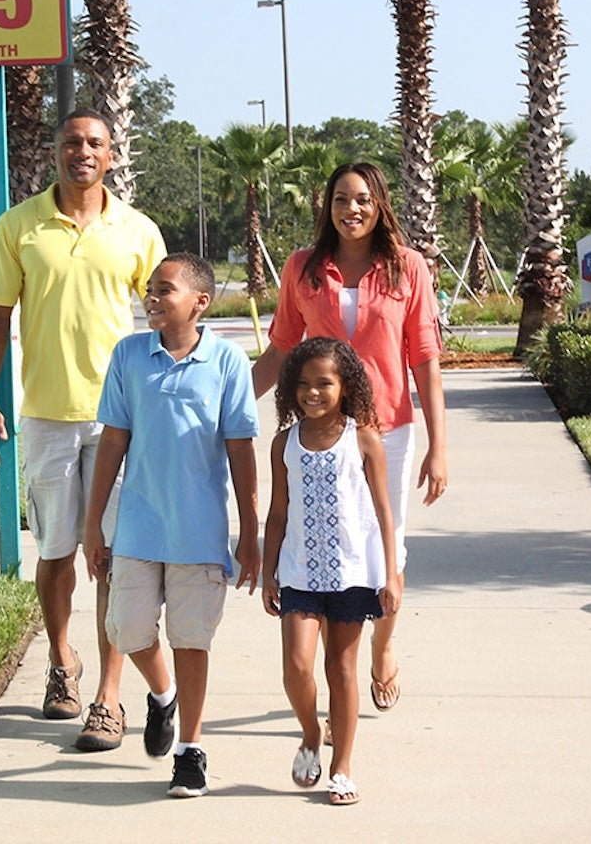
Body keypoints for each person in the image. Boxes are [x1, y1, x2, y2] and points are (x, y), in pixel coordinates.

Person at [0, 109, 166, 751]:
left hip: (120, 421)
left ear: (111, 155)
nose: (82, 152)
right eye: (71, 143)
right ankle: (63, 664)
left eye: (94, 143)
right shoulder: (19, 226)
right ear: (54, 153)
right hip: (47, 417)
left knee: (112, 555)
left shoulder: (137, 231)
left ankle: (110, 698)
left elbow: (169, 317)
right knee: (56, 552)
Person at [251, 162, 445, 713]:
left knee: (388, 551)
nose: (350, 209)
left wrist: (439, 446)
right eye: (340, 199)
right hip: (321, 431)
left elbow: (426, 360)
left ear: (380, 205)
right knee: (332, 547)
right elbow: (283, 348)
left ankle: (382, 646)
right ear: (327, 207)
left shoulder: (409, 269)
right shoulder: (302, 268)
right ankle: (341, 685)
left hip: (387, 429)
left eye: (362, 199)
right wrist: (229, 404)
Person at [82, 253, 261, 797]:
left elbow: (241, 449)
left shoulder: (227, 362)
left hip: (198, 532)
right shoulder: (129, 355)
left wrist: (249, 532)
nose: (152, 298)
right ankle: (162, 694)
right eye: (149, 290)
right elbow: (113, 439)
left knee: (191, 639)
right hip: (137, 524)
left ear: (200, 302)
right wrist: (94, 524)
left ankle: (190, 749)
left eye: (165, 289)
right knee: (126, 629)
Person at [262, 337, 400, 807]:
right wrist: (268, 571)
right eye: (303, 385)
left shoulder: (362, 438)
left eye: (324, 383)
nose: (313, 393)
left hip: (351, 575)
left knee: (341, 669)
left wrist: (391, 574)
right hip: (299, 572)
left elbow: (383, 510)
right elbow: (277, 513)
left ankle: (341, 767)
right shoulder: (284, 442)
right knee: (297, 667)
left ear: (346, 387)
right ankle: (309, 730)